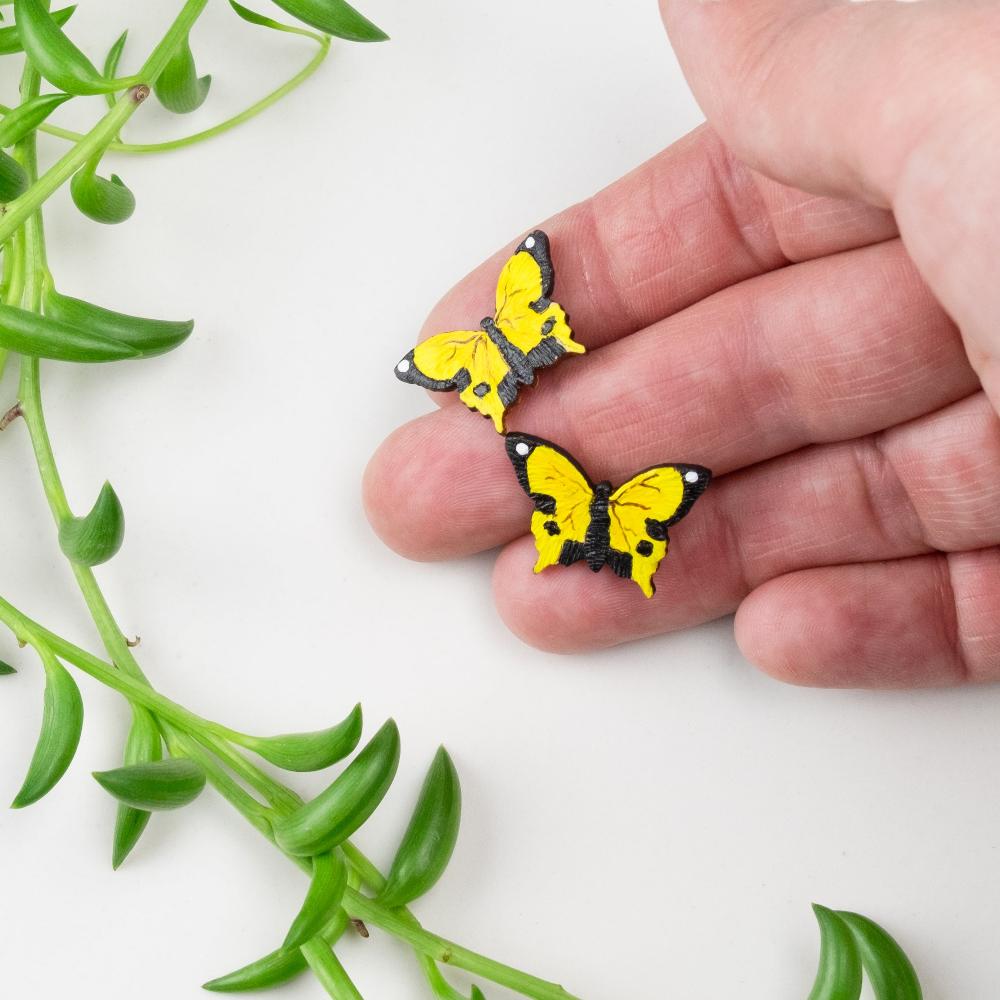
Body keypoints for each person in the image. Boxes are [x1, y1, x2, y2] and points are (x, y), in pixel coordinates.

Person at [364, 0, 1000, 688]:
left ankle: (574, 534)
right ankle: (612, 543)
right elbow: (677, 482)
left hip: (514, 391)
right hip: (532, 355)